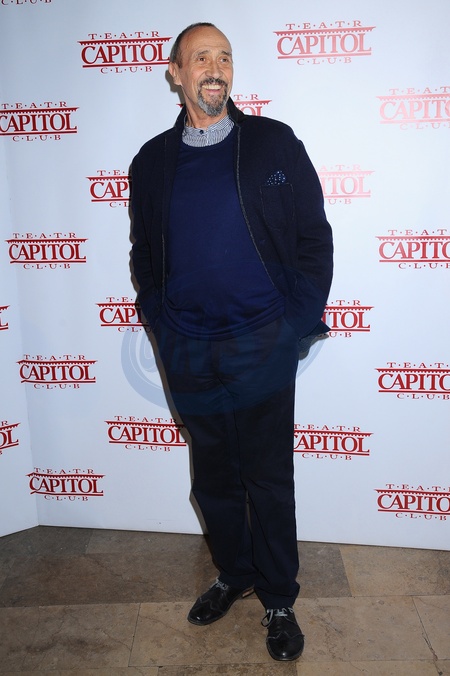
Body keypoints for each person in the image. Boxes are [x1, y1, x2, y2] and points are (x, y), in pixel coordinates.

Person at [130, 22, 333, 662]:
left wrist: (293, 324)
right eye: (200, 58)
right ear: (176, 73)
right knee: (213, 476)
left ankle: (278, 597)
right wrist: (160, 319)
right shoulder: (151, 162)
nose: (215, 68)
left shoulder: (274, 143)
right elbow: (143, 254)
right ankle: (234, 572)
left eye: (224, 57)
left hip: (261, 344)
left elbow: (314, 239)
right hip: (188, 349)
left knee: (267, 479)